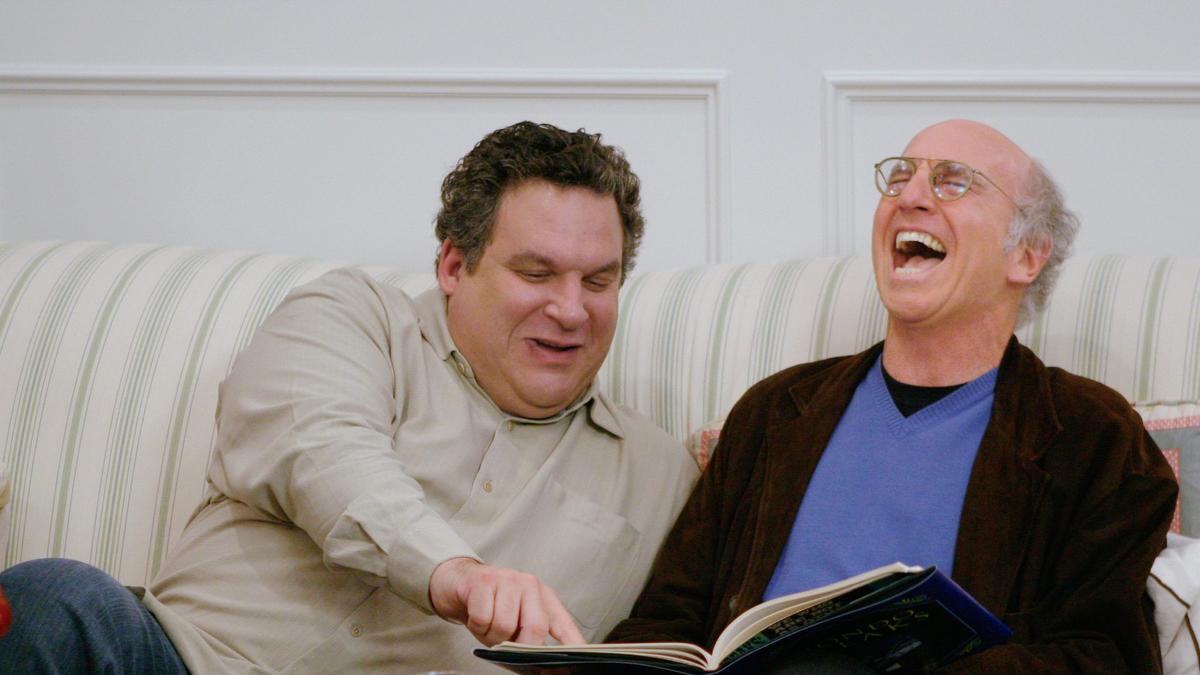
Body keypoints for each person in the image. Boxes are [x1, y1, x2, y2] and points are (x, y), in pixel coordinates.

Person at [0, 121, 699, 673]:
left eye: (598, 281)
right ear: (454, 264)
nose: (572, 310)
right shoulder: (351, 319)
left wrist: (746, 456)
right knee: (59, 598)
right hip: (188, 660)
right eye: (537, 273)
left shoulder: (661, 472)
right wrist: (454, 574)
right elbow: (326, 453)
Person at [607, 119, 1178, 672]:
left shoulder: (1092, 434)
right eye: (900, 177)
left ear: (1027, 254)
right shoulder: (774, 411)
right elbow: (667, 622)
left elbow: (1106, 656)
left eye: (953, 181)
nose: (911, 196)